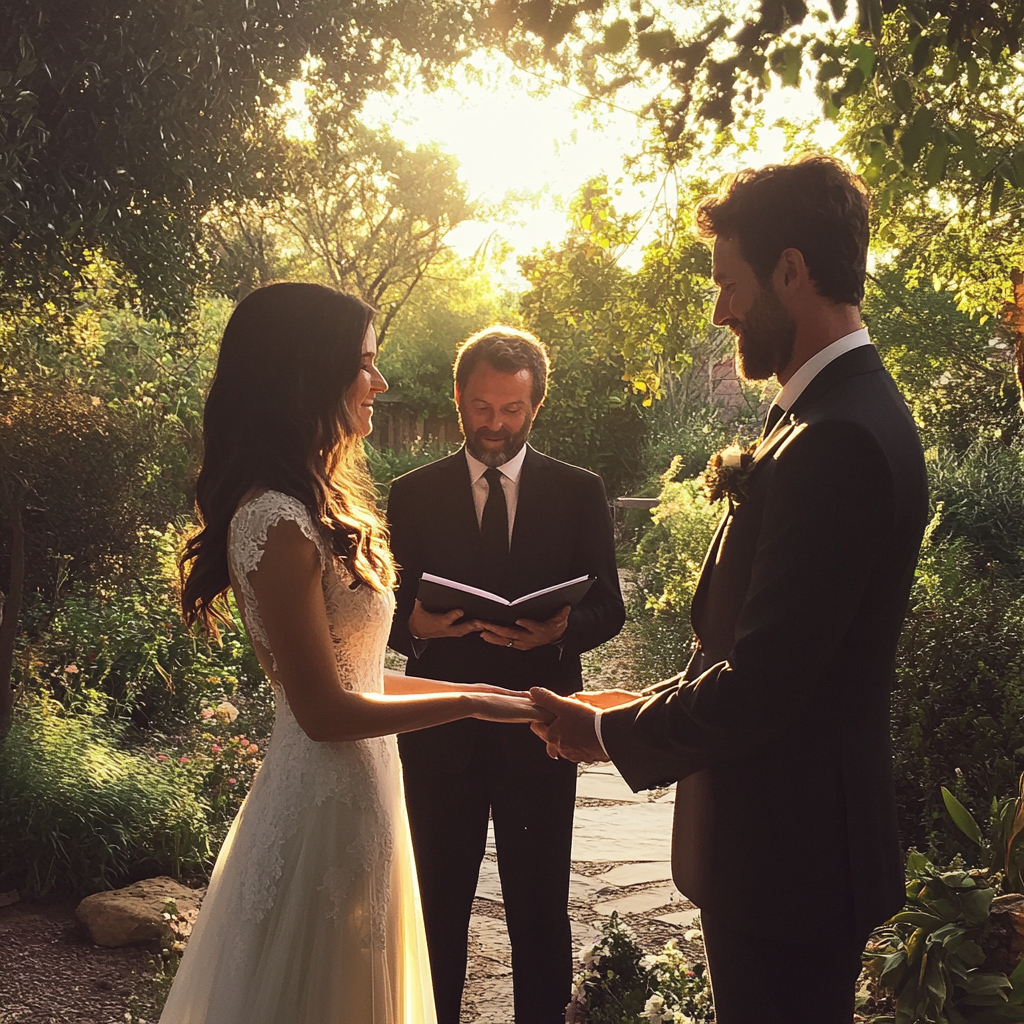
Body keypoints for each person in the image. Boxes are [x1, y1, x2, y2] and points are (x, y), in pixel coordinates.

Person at [531, 156, 929, 1024]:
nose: (721, 310)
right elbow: (776, 645)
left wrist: (607, 731)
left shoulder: (839, 441)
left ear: (792, 269)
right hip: (787, 849)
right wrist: (642, 700)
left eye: (730, 281)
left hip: (790, 858)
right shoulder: (828, 414)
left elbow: (767, 682)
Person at [160, 283, 543, 1024]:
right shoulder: (273, 520)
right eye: (365, 362)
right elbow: (325, 711)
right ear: (309, 374)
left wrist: (503, 699)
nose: (382, 382)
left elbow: (357, 676)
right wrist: (466, 701)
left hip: (364, 797)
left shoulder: (316, 506)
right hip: (318, 814)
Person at [386, 326, 625, 1024]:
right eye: (482, 407)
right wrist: (415, 628)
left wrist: (564, 629)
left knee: (540, 902)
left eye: (511, 410)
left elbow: (609, 604)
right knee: (436, 901)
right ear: (459, 398)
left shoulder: (580, 492)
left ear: (536, 406)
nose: (495, 424)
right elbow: (384, 606)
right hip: (440, 725)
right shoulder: (413, 493)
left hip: (541, 722)